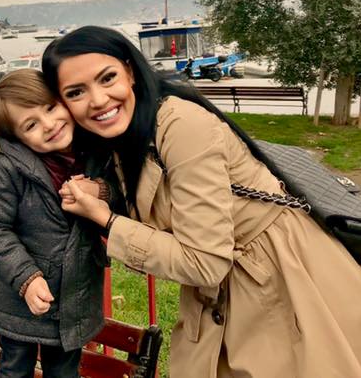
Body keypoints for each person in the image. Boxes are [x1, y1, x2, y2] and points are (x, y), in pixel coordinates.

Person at [41, 25, 361, 378]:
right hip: (231, 286)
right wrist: (103, 192)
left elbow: (205, 263)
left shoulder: (180, 125)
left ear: (130, 72)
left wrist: (107, 221)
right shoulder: (127, 138)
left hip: (286, 283)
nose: (98, 100)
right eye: (76, 92)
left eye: (107, 78)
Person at [0, 69, 107, 378]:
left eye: (50, 107)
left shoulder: (94, 150)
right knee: (15, 368)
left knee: (64, 371)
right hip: (19, 301)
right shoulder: (7, 167)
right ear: (17, 138)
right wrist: (27, 278)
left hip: (72, 298)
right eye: (31, 125)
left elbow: (120, 191)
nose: (49, 124)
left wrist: (100, 190)